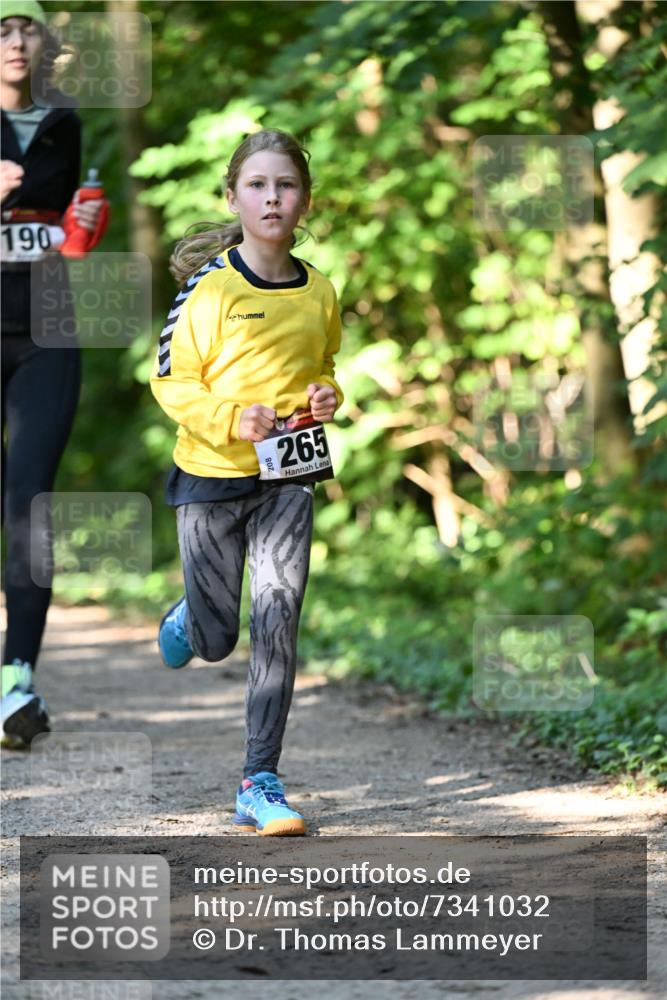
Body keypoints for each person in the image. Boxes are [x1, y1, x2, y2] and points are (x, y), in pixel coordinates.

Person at [150, 128, 344, 836]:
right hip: (209, 477)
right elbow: (171, 382)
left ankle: (259, 780)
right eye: (258, 185)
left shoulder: (318, 291)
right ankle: (187, 618)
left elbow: (322, 368)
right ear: (233, 197)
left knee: (276, 620)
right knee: (215, 639)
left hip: (289, 479)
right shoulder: (209, 290)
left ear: (304, 201)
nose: (272, 197)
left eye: (285, 185)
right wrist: (233, 419)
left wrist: (327, 397)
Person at [1, 0, 106, 747]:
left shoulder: (65, 122)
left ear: (46, 41)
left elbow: (63, 237)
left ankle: (16, 680)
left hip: (47, 329)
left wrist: (83, 230)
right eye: (0, 29)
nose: (14, 42)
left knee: (29, 504)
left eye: (25, 28)